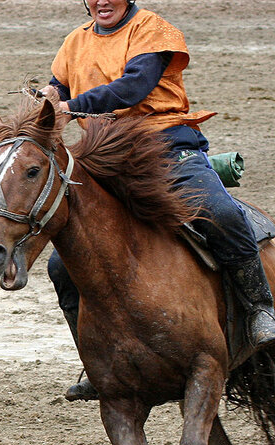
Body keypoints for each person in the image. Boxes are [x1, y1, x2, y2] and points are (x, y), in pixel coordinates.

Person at [43, 0, 275, 400]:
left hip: (166, 146)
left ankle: (260, 308)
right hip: (106, 157)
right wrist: (45, 97)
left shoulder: (154, 30)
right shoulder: (74, 41)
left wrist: (70, 106)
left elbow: (134, 86)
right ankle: (95, 360)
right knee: (61, 265)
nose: (101, 1)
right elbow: (59, 85)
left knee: (220, 214)